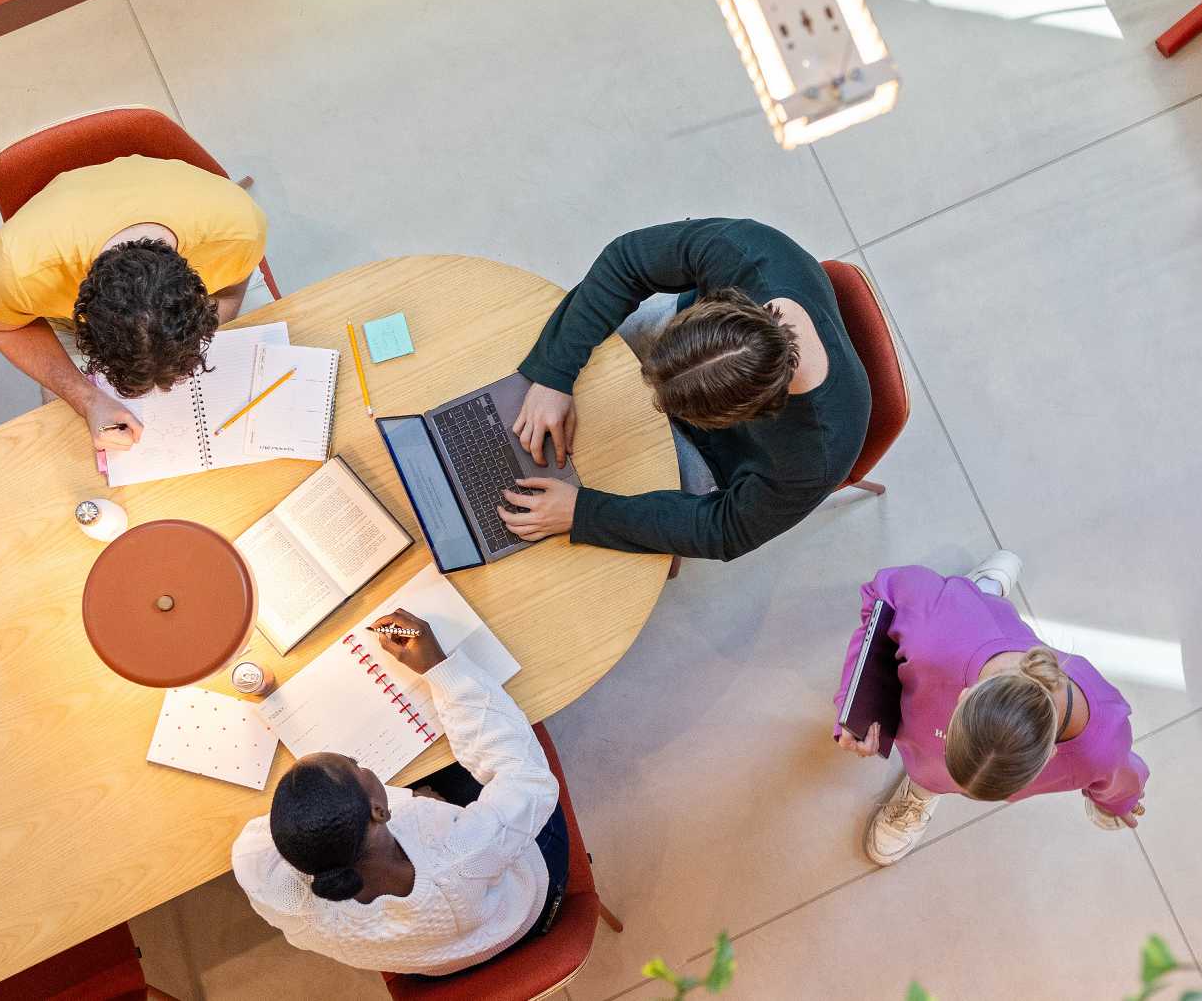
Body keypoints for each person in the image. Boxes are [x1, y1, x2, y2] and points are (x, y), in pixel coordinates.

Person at [499, 217, 867, 562]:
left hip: (718, 460)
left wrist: (583, 512)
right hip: (680, 343)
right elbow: (626, 261)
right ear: (724, 303)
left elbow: (725, 530)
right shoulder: (745, 251)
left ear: (753, 413)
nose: (652, 401)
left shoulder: (816, 455)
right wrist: (554, 374)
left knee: (569, 548)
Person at [232, 610, 568, 977]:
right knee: (497, 740)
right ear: (379, 810)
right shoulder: (462, 855)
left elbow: (252, 842)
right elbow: (528, 780)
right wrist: (441, 669)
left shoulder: (282, 897)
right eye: (355, 763)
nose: (359, 762)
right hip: (522, 910)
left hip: (440, 961)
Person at [832, 554, 1147, 866]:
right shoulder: (936, 627)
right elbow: (882, 592)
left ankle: (982, 592)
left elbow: (1118, 777)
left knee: (934, 767)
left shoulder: (1101, 747)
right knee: (968, 610)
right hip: (962, 622)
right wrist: (854, 697)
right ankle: (980, 592)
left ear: (1049, 754)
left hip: (968, 627)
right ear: (963, 696)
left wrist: (1121, 802)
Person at [0, 154, 267, 458]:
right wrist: (87, 400)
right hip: (58, 293)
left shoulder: (238, 231)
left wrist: (212, 330)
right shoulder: (19, 270)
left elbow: (234, 284)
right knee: (73, 446)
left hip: (209, 267)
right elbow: (0, 327)